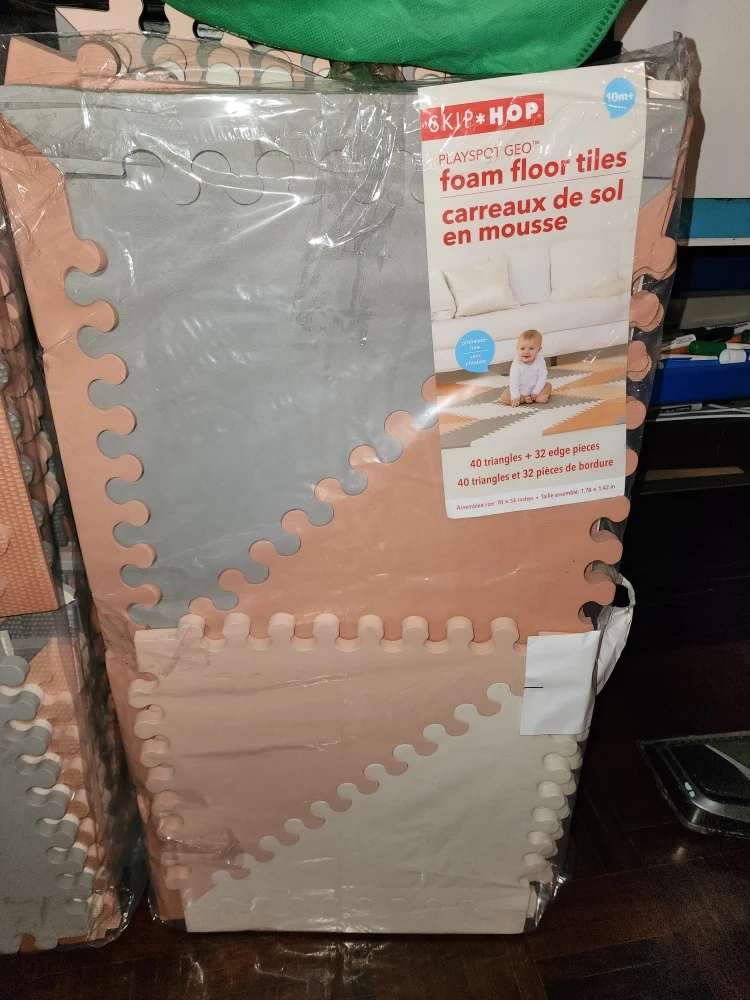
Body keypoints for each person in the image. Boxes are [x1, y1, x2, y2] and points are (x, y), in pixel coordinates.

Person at [500, 329, 551, 407]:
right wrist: (515, 396)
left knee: (548, 385)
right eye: (522, 348)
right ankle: (523, 399)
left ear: (539, 349)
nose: (526, 352)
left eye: (531, 348)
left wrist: (536, 391)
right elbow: (514, 380)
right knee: (504, 397)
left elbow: (542, 377)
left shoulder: (540, 360)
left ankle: (538, 397)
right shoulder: (516, 363)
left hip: (535, 389)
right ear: (517, 348)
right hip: (520, 390)